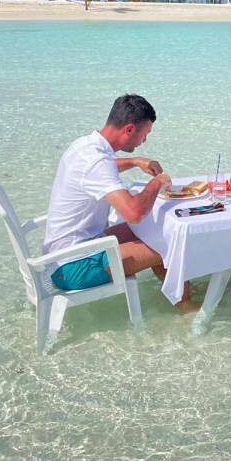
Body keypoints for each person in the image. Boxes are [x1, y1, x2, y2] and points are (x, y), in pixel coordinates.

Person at [43, 93, 193, 310]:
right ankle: (186, 307)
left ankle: (179, 294)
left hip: (66, 251)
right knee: (171, 243)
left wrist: (135, 161)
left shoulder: (84, 146)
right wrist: (157, 182)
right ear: (129, 129)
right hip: (72, 268)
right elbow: (134, 212)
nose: (145, 140)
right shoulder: (97, 163)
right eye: (145, 133)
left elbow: (102, 167)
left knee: (154, 228)